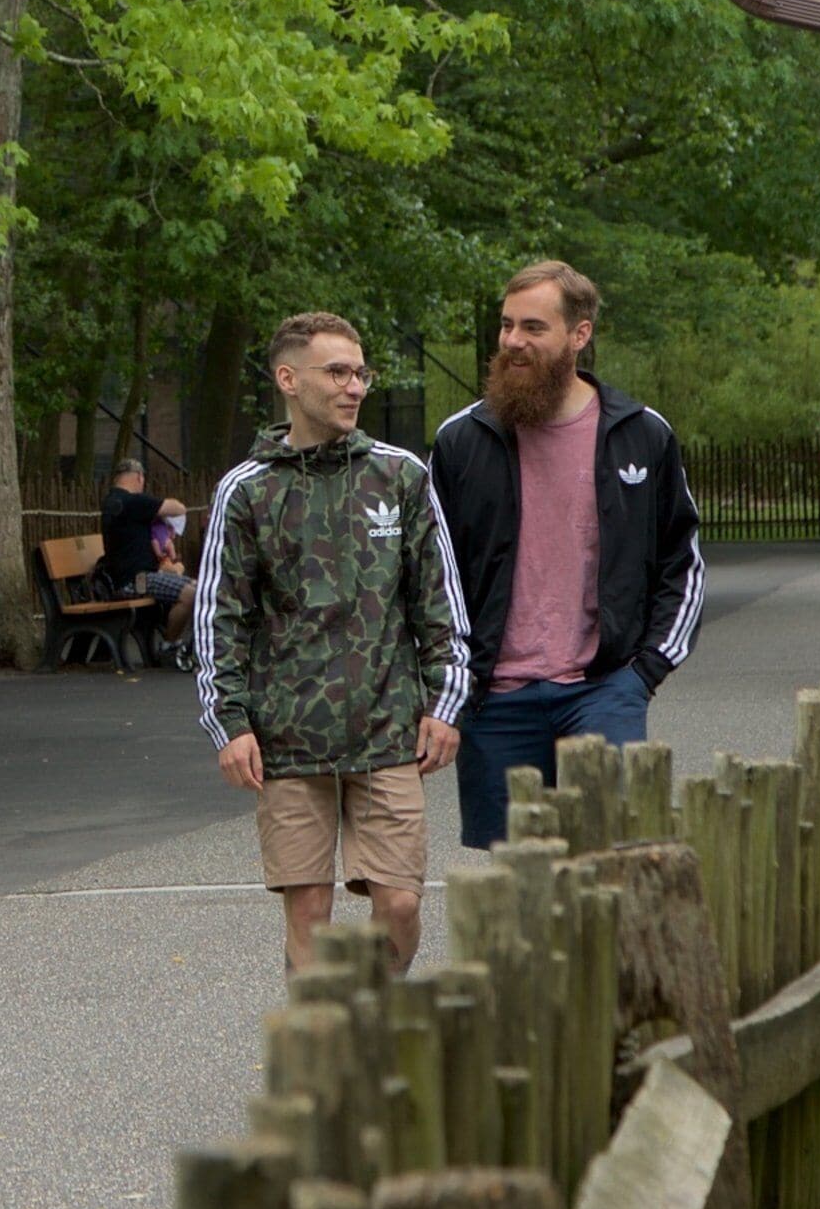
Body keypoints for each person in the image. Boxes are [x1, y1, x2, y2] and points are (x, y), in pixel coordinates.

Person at [194, 312, 466, 974]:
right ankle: (328, 1056)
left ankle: (373, 1025)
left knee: (400, 905)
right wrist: (228, 723)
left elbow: (439, 601)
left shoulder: (400, 476)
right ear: (289, 380)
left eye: (361, 373)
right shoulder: (248, 490)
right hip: (287, 741)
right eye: (337, 372)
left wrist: (445, 704)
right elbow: (219, 618)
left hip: (387, 731)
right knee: (309, 913)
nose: (354, 387)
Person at [428, 261, 704, 854]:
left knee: (615, 859)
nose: (513, 342)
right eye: (506, 326)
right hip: (493, 698)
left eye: (533, 327)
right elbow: (431, 577)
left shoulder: (641, 434)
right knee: (517, 888)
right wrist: (448, 683)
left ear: (580, 335)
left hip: (603, 688)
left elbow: (682, 560)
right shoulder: (460, 441)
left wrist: (646, 670)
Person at [99, 455, 195, 654]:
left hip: (127, 576)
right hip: (136, 580)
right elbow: (178, 508)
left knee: (197, 586)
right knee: (192, 594)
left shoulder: (112, 500)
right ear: (139, 477)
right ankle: (169, 644)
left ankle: (174, 641)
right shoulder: (134, 502)